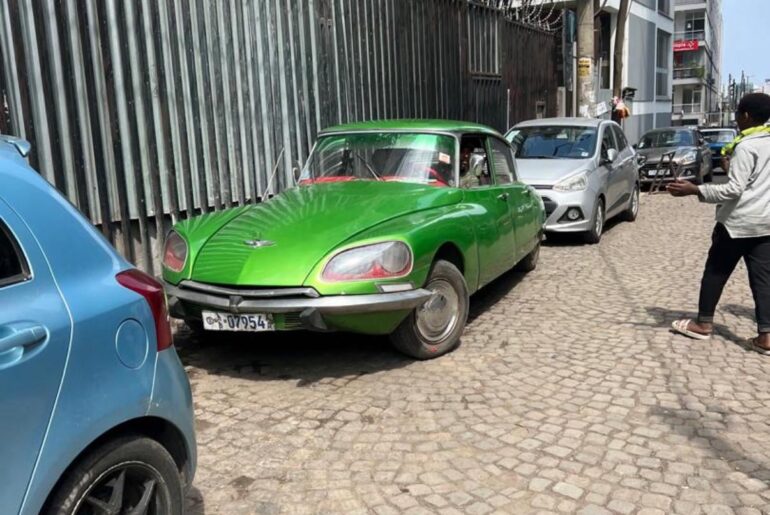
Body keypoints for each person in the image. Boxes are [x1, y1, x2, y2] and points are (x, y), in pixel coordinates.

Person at [668, 93, 770, 354]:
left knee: (715, 272)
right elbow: (755, 181)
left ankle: (703, 324)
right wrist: (731, 166)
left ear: (746, 116)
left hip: (738, 223)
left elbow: (735, 190)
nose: (736, 118)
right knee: (763, 281)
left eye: (738, 113)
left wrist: (695, 190)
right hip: (765, 224)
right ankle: (766, 337)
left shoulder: (746, 146)